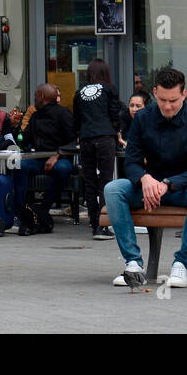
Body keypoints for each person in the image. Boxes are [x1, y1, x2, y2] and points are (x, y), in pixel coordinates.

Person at [103, 67, 187, 289]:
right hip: (149, 189)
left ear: (184, 94)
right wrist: (145, 179)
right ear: (154, 93)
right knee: (113, 188)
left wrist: (168, 184)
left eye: (173, 100)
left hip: (184, 189)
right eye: (162, 99)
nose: (167, 106)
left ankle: (181, 264)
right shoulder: (143, 117)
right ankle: (133, 264)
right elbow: (132, 161)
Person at [13, 83, 75, 235]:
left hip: (59, 158)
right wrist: (16, 126)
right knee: (18, 165)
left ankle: (43, 208)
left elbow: (73, 142)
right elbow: (25, 140)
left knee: (63, 168)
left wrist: (57, 155)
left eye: (35, 95)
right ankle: (21, 212)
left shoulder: (63, 114)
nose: (34, 98)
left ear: (41, 96)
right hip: (38, 158)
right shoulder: (35, 116)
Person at [74, 59, 124, 240]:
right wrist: (117, 130)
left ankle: (94, 223)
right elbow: (114, 113)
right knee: (105, 182)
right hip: (105, 137)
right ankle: (102, 226)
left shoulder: (80, 91)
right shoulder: (109, 89)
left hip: (86, 138)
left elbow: (76, 118)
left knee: (89, 182)